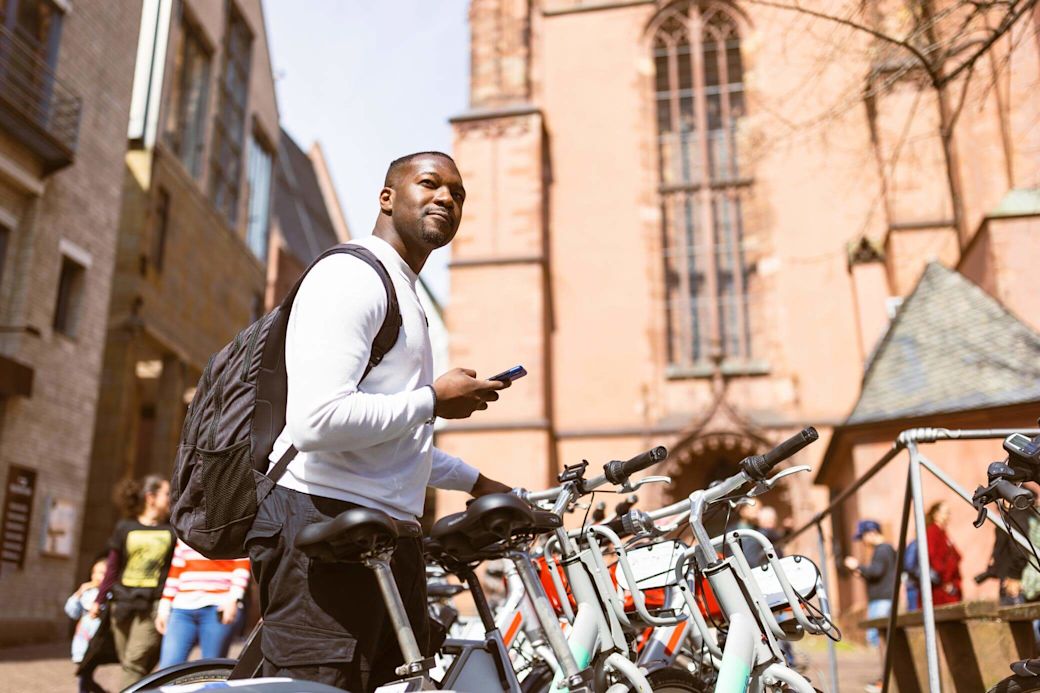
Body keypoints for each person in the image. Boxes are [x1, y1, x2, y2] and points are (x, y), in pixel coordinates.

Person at [248, 151, 514, 692]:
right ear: (387, 197)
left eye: (457, 193)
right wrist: (432, 402)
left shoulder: (403, 289)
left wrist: (475, 482)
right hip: (320, 518)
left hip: (384, 530)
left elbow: (386, 436)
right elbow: (318, 422)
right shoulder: (352, 277)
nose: (446, 197)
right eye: (430, 183)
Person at [94, 475, 176, 688]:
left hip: (152, 605)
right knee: (130, 663)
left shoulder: (171, 530)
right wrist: (99, 600)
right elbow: (112, 568)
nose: (170, 499)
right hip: (122, 604)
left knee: (134, 661)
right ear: (151, 498)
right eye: (166, 494)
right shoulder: (125, 527)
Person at [155, 538, 251, 668]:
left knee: (211, 669)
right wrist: (164, 607)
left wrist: (234, 599)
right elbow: (176, 570)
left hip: (218, 606)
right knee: (168, 667)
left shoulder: (231, 528)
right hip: (182, 608)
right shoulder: (185, 528)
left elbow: (241, 565)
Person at [844, 519, 896, 693]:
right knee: (880, 638)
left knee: (880, 639)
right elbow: (876, 574)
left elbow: (876, 572)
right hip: (882, 599)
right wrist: (861, 572)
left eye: (863, 537)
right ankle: (886, 678)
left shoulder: (882, 550)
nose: (863, 542)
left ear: (871, 533)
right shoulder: (884, 550)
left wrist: (857, 565)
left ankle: (886, 680)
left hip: (882, 600)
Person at [65, 557, 108, 693]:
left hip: (97, 641)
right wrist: (79, 593)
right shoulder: (87, 592)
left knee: (85, 672)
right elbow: (72, 611)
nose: (99, 577)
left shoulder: (110, 594)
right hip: (83, 639)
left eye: (103, 573)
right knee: (84, 673)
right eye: (96, 573)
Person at [925, 500, 962, 606]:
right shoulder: (932, 532)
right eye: (946, 512)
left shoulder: (943, 533)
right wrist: (945, 582)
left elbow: (957, 556)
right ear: (936, 514)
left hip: (950, 586)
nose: (948, 516)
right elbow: (933, 557)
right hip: (941, 588)